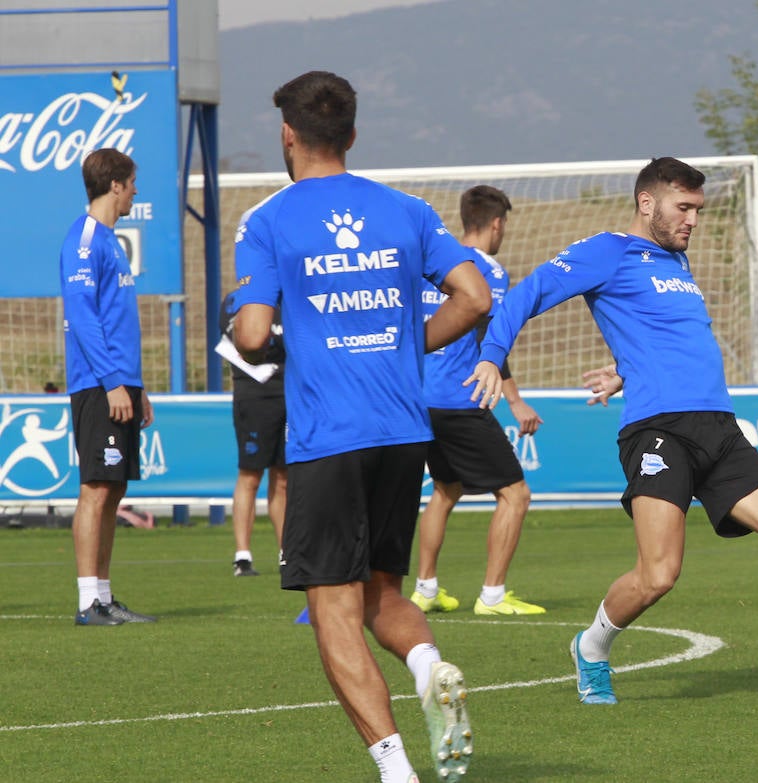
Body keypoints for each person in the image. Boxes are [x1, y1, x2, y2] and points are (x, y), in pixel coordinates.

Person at [466, 157, 758, 706]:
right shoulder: (607, 251)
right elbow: (523, 297)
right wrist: (493, 357)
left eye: (698, 209)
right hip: (658, 432)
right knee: (659, 575)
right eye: (683, 207)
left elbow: (663, 336)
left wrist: (624, 368)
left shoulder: (677, 262)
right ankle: (591, 648)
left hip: (718, 425)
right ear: (646, 203)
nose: (693, 219)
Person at [232, 70, 490, 783]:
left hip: (329, 437)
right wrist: (410, 344)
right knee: (380, 590)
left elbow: (252, 334)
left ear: (287, 134)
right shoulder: (406, 211)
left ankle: (395, 768)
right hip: (402, 430)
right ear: (351, 134)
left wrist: (244, 311)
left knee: (334, 610)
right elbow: (474, 295)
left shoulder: (267, 220)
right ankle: (429, 664)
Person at [412, 185, 546, 617]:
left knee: (445, 490)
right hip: (461, 399)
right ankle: (493, 595)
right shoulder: (487, 271)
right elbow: (491, 340)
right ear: (496, 224)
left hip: (420, 398)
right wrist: (516, 402)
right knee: (515, 494)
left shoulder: (433, 267)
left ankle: (426, 590)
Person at [59, 148, 157, 627]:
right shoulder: (84, 240)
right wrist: (114, 382)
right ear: (115, 184)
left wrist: (137, 387)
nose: (136, 191)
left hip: (120, 384)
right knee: (95, 489)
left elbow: (117, 323)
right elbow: (81, 317)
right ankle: (86, 602)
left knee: (113, 491)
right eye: (133, 182)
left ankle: (104, 596)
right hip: (98, 385)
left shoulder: (111, 242)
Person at [218, 289, 287, 577]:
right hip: (253, 395)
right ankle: (242, 556)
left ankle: (288, 553)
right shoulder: (238, 300)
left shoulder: (291, 294)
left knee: (284, 477)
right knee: (250, 474)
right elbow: (239, 342)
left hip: (290, 393)